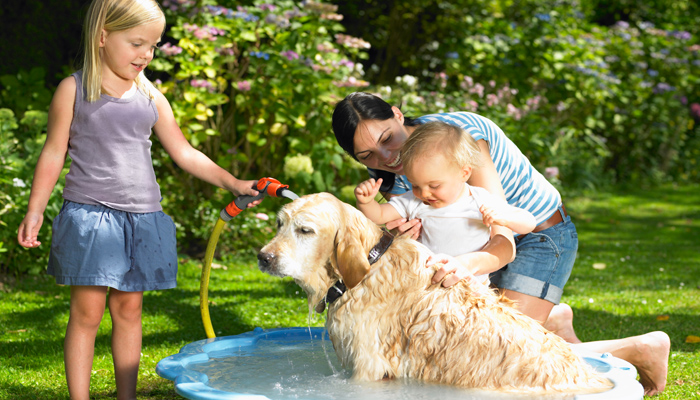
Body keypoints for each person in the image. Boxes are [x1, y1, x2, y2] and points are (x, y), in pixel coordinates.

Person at [332, 91, 669, 396]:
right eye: (368, 155)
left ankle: (640, 347)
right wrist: (406, 238)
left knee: (502, 356)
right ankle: (552, 321)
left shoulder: (458, 139)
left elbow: (502, 237)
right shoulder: (399, 179)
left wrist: (464, 265)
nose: (387, 156)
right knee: (468, 346)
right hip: (476, 252)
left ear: (397, 114)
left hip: (536, 235)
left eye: (388, 138)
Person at [16, 1, 260, 399]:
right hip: (91, 216)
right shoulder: (74, 90)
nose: (146, 54)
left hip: (142, 218)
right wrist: (35, 209)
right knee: (86, 314)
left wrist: (233, 182)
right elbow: (53, 152)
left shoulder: (151, 97)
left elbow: (185, 153)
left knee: (129, 311)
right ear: (102, 37)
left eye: (153, 46)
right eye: (136, 43)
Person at [355, 121, 537, 285]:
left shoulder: (479, 199)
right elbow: (378, 215)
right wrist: (366, 202)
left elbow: (529, 223)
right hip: (427, 284)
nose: (424, 193)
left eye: (434, 185)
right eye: (415, 184)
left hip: (470, 284)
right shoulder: (415, 200)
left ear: (464, 173)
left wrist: (506, 217)